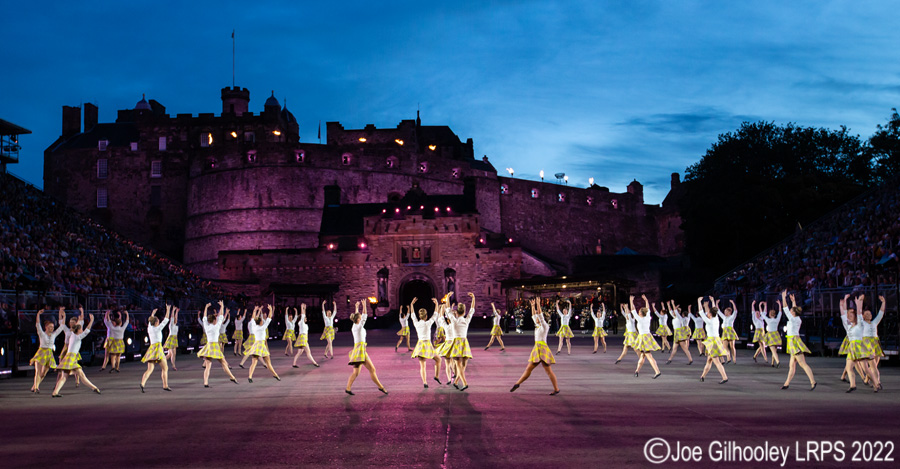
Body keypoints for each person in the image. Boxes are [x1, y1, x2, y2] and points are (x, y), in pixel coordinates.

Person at [510, 299, 560, 395]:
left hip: (543, 348)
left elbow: (539, 316)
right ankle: (517, 383)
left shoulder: (545, 326)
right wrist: (532, 306)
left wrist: (538, 304)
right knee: (529, 368)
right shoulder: (537, 325)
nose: (536, 317)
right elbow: (534, 316)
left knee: (548, 370)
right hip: (537, 348)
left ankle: (556, 389)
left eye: (538, 317)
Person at [52, 313, 101, 397]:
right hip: (71, 358)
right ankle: (94, 387)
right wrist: (91, 320)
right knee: (72, 375)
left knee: (69, 376)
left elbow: (81, 328)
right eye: (80, 329)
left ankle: (94, 388)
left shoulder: (73, 335)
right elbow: (87, 330)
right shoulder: (77, 336)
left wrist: (80, 318)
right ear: (78, 331)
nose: (82, 330)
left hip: (70, 357)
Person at [345, 301, 387, 395]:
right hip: (360, 351)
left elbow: (358, 317)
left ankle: (348, 388)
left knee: (356, 372)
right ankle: (381, 387)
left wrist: (356, 307)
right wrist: (364, 306)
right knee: (372, 369)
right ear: (359, 320)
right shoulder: (359, 326)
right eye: (360, 318)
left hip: (358, 350)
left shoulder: (354, 326)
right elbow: (364, 315)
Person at [779, 290, 816, 391]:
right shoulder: (796, 318)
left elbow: (785, 308)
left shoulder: (793, 319)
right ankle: (786, 383)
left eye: (792, 310)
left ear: (793, 313)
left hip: (794, 342)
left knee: (802, 363)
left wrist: (783, 297)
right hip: (793, 341)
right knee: (792, 365)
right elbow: (792, 310)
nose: (790, 310)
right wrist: (793, 301)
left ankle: (813, 381)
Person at [198, 301, 239, 387]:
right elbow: (221, 317)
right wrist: (222, 306)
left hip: (209, 346)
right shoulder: (216, 326)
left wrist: (206, 307)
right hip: (215, 346)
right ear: (214, 320)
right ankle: (232, 377)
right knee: (224, 363)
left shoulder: (206, 325)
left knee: (208, 366)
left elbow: (204, 317)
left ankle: (206, 382)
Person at [29, 308, 66, 393]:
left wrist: (64, 316)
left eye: (52, 327)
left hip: (49, 354)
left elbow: (62, 327)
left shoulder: (54, 334)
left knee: (43, 373)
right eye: (50, 327)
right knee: (38, 371)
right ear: (46, 327)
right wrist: (38, 314)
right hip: (41, 353)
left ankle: (35, 385)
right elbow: (38, 325)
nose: (52, 328)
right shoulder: (42, 334)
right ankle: (36, 388)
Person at [409, 298, 441, 388]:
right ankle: (436, 376)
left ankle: (425, 382)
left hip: (420, 345)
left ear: (419, 316)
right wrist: (436, 304)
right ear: (426, 316)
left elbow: (412, 315)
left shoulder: (416, 323)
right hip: (427, 345)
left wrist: (412, 304)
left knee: (422, 365)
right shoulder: (428, 323)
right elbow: (435, 315)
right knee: (438, 360)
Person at [698, 297, 728, 384]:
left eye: (708, 313)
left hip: (712, 341)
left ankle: (724, 377)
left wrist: (699, 301)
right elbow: (715, 310)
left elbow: (701, 312)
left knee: (716, 361)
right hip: (716, 340)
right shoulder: (716, 318)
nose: (707, 313)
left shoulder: (709, 321)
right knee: (709, 360)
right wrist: (712, 301)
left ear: (710, 314)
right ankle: (702, 376)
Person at [140, 306, 171, 393]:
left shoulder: (149, 328)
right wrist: (168, 309)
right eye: (158, 321)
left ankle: (142, 383)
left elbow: (150, 321)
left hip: (151, 349)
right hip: (158, 349)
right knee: (165, 368)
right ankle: (165, 385)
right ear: (157, 322)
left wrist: (153, 313)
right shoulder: (158, 328)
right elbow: (166, 319)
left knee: (150, 369)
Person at [449, 292, 476, 391]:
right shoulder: (466, 320)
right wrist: (473, 298)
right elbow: (472, 310)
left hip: (456, 342)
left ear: (456, 312)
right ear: (464, 312)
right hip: (464, 342)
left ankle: (464, 383)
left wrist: (448, 298)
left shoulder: (454, 320)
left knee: (458, 364)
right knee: (464, 364)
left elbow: (448, 310)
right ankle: (456, 381)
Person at [247, 305, 281, 383]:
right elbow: (269, 318)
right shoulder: (263, 327)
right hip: (261, 345)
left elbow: (252, 319)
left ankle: (250, 376)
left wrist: (254, 311)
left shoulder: (254, 326)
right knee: (268, 363)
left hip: (256, 345)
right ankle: (275, 375)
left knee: (254, 362)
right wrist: (271, 309)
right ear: (261, 322)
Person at [630, 295, 662, 379]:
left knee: (648, 355)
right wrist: (646, 300)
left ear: (640, 313)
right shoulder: (647, 317)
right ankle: (637, 371)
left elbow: (632, 310)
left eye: (639, 311)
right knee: (642, 356)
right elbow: (648, 308)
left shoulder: (640, 319)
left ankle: (657, 371)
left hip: (643, 338)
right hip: (647, 336)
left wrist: (631, 300)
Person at [861, 295, 886, 388]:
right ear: (863, 316)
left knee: (874, 365)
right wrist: (860, 302)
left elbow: (881, 313)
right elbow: (858, 314)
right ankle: (876, 381)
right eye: (866, 314)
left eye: (870, 314)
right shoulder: (862, 323)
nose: (868, 315)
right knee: (871, 366)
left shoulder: (874, 322)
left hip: (875, 344)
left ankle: (872, 380)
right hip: (866, 344)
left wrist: (883, 302)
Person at [434, 296, 457, 385]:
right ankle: (454, 374)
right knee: (454, 362)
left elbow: (440, 318)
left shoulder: (446, 326)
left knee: (447, 363)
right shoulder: (456, 325)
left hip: (447, 344)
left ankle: (448, 379)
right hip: (454, 343)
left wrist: (443, 307)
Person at [666, 300, 693, 365]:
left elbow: (674, 311)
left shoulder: (679, 318)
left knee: (684, 348)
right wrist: (669, 305)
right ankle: (670, 359)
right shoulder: (675, 317)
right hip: (676, 333)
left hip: (679, 333)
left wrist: (673, 304)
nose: (673, 312)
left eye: (675, 311)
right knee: (674, 348)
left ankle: (690, 359)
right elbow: (670, 311)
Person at [763, 300, 784, 368]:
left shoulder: (768, 320)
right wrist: (779, 304)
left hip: (771, 335)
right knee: (775, 350)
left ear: (769, 314)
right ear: (774, 314)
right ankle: (772, 363)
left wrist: (763, 305)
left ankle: (777, 362)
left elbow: (762, 314)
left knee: (773, 350)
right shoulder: (777, 319)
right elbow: (780, 312)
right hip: (776, 334)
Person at [718, 299, 739, 364]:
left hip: (730, 331)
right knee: (724, 346)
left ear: (729, 312)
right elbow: (718, 312)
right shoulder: (724, 317)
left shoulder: (732, 317)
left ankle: (734, 358)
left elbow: (735, 311)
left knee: (732, 346)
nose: (725, 313)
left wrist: (733, 303)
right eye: (724, 312)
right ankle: (728, 357)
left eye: (726, 312)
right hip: (725, 332)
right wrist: (716, 304)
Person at [164, 306, 180, 371]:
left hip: (174, 339)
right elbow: (172, 318)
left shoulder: (175, 325)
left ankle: (161, 361)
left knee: (170, 354)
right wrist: (173, 310)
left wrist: (177, 312)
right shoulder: (171, 324)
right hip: (171, 339)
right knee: (172, 353)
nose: (176, 319)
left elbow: (175, 318)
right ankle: (173, 366)